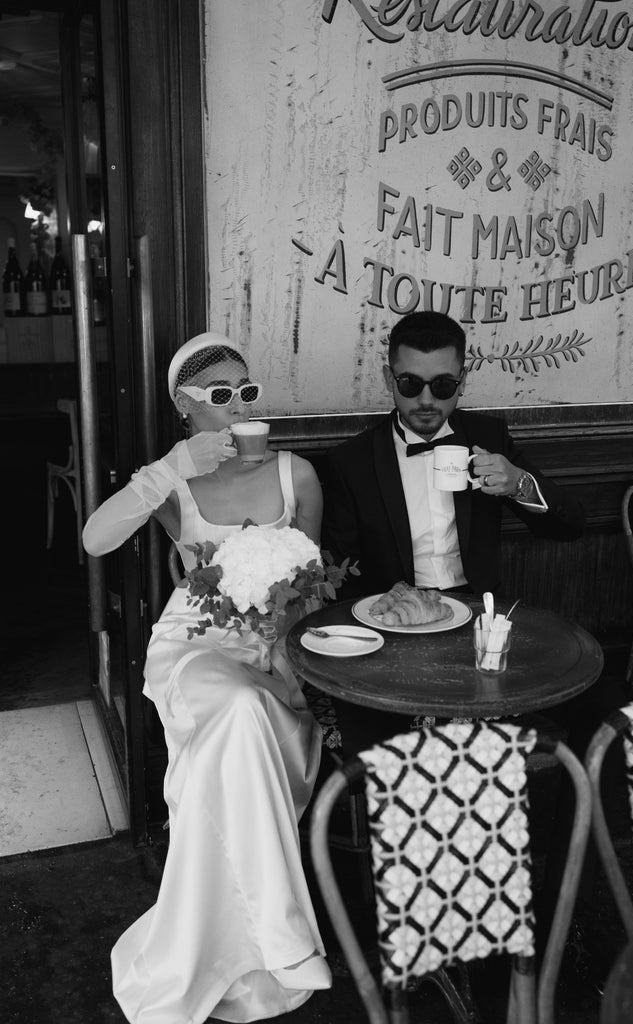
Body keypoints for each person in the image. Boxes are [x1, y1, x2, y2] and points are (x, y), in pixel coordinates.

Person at [83, 332, 331, 1024]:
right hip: (194, 643)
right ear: (184, 406)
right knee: (241, 716)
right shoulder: (175, 483)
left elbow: (313, 584)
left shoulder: (296, 475)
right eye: (219, 395)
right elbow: (95, 540)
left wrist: (288, 651)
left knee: (245, 730)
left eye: (245, 392)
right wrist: (168, 467)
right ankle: (280, 943)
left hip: (278, 642)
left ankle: (233, 943)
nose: (236, 406)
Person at [321, 310, 586, 753]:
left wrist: (518, 482)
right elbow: (338, 570)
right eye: (410, 384)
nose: (426, 399)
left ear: (462, 381)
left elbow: (571, 527)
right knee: (376, 755)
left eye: (442, 386)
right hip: (391, 628)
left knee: (601, 709)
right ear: (390, 379)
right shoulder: (350, 462)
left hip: (480, 621)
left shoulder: (490, 437)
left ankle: (566, 818)